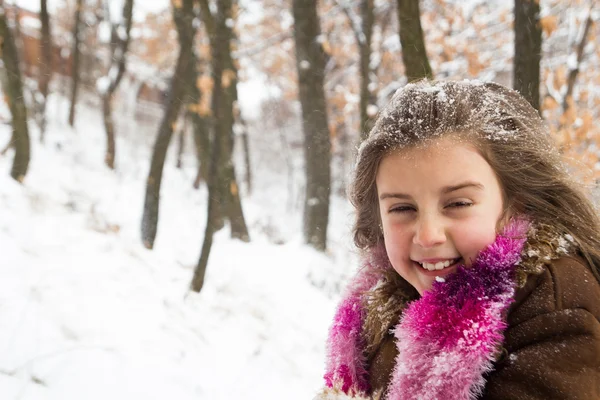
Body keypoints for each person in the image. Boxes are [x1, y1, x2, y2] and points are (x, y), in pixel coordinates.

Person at [315, 80, 600, 400]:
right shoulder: (379, 300)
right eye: (403, 208)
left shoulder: (554, 303)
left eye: (457, 204)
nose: (427, 235)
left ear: (515, 203)